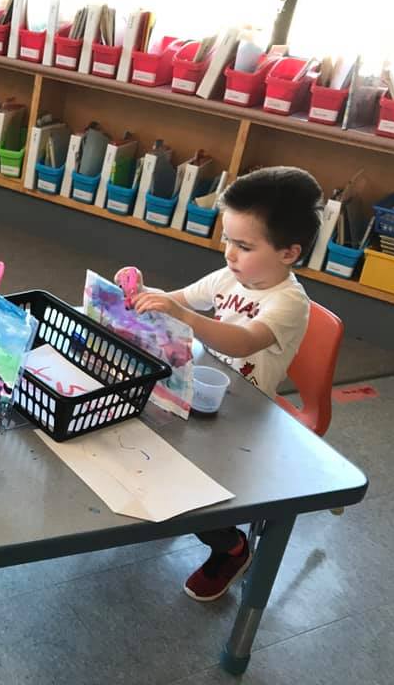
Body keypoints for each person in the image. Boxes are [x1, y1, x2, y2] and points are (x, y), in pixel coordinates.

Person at [118, 165, 323, 602]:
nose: (229, 253)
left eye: (244, 245)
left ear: (288, 252)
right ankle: (173, 509)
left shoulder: (287, 302)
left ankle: (231, 547)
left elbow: (244, 340)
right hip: (205, 392)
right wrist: (139, 289)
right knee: (143, 434)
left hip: (246, 416)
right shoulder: (232, 277)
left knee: (194, 483)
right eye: (228, 239)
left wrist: (189, 320)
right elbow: (179, 299)